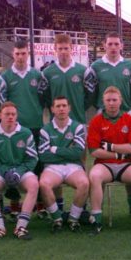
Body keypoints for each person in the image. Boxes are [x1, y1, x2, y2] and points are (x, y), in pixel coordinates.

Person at [87, 86, 131, 235]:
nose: (112, 103)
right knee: (94, 176)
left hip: (126, 164)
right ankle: (96, 219)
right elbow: (95, 151)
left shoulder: (129, 120)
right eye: (108, 100)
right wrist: (117, 154)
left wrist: (111, 146)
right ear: (103, 102)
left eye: (114, 100)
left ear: (120, 101)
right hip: (104, 164)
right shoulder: (96, 121)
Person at [0, 102, 39, 240]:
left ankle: (21, 226)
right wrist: (4, 171)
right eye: (7, 114)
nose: (10, 117)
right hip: (2, 172)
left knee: (34, 184)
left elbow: (32, 158)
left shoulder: (26, 133)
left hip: (21, 171)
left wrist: (18, 172)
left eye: (13, 114)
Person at [38, 96, 89, 232]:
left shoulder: (77, 127)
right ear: (52, 109)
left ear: (69, 108)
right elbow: (43, 156)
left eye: (64, 106)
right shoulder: (45, 129)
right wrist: (68, 151)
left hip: (74, 166)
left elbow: (78, 153)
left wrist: (54, 149)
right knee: (44, 184)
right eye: (58, 106)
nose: (61, 109)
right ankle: (57, 219)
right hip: (52, 168)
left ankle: (73, 219)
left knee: (84, 183)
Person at [85, 32, 131, 113]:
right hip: (103, 112)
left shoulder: (130, 65)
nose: (113, 47)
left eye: (116, 44)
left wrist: (126, 103)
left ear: (121, 46)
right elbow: (92, 92)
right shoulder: (95, 66)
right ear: (104, 45)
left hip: (125, 111)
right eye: (110, 44)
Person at [41, 34, 91, 124]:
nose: (63, 51)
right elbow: (46, 97)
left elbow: (90, 95)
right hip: (56, 124)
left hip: (78, 120)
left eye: (66, 48)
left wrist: (80, 106)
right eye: (60, 49)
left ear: (71, 48)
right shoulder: (47, 73)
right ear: (55, 49)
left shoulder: (83, 71)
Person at [1, 41, 45, 132]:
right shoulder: (5, 77)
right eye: (17, 54)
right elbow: (2, 103)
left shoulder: (38, 75)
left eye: (23, 53)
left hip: (35, 123)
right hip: (14, 124)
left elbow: (43, 99)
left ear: (28, 54)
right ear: (13, 54)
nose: (20, 57)